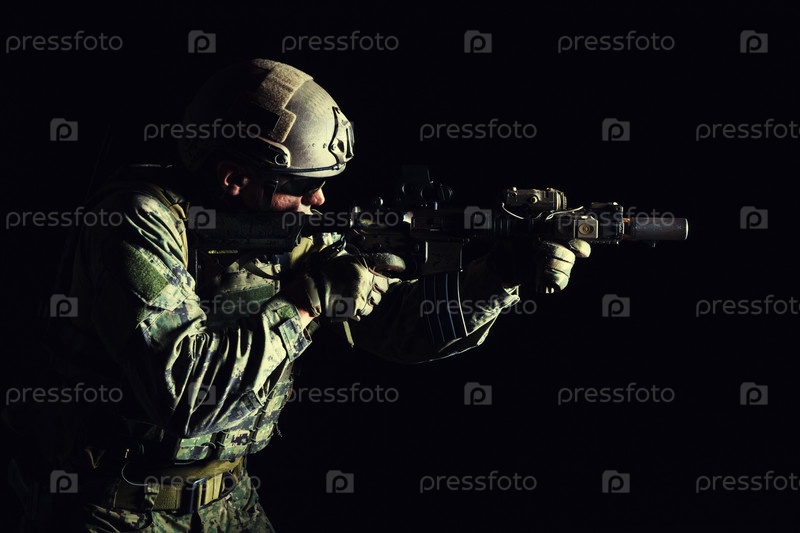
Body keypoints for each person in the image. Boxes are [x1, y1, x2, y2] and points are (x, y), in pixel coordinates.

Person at [4, 58, 590, 532]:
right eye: (305, 188)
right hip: (112, 508)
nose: (320, 203)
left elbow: (399, 330)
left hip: (224, 495)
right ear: (235, 179)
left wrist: (498, 276)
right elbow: (185, 397)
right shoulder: (135, 221)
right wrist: (307, 303)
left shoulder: (289, 228)